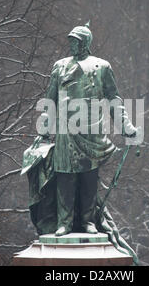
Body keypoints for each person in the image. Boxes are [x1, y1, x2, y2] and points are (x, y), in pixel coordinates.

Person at [42, 21, 137, 236]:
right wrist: (45, 128)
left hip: (91, 130)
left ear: (85, 43)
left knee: (88, 178)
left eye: (75, 41)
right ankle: (64, 222)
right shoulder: (60, 66)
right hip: (66, 132)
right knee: (65, 177)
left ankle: (87, 221)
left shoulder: (101, 67)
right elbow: (50, 101)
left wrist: (126, 126)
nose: (71, 44)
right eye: (70, 40)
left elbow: (114, 99)